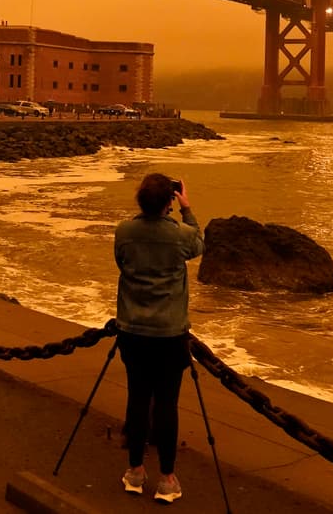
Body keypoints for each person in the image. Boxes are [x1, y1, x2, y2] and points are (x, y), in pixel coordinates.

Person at [114, 173, 203, 504]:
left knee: (137, 400)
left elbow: (121, 262)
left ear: (140, 200)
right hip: (169, 334)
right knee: (167, 404)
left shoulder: (124, 232)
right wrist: (187, 207)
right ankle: (167, 478)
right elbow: (199, 243)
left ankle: (135, 471)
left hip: (133, 331)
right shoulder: (179, 235)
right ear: (169, 201)